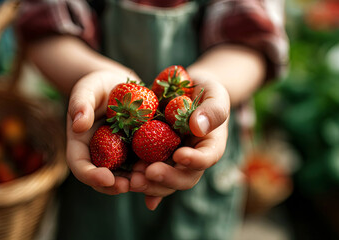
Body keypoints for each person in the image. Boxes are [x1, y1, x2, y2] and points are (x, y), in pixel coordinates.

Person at [16, 0, 288, 239]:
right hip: (96, 147)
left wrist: (208, 86)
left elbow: (252, 37)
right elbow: (43, 27)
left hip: (200, 152)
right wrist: (94, 75)